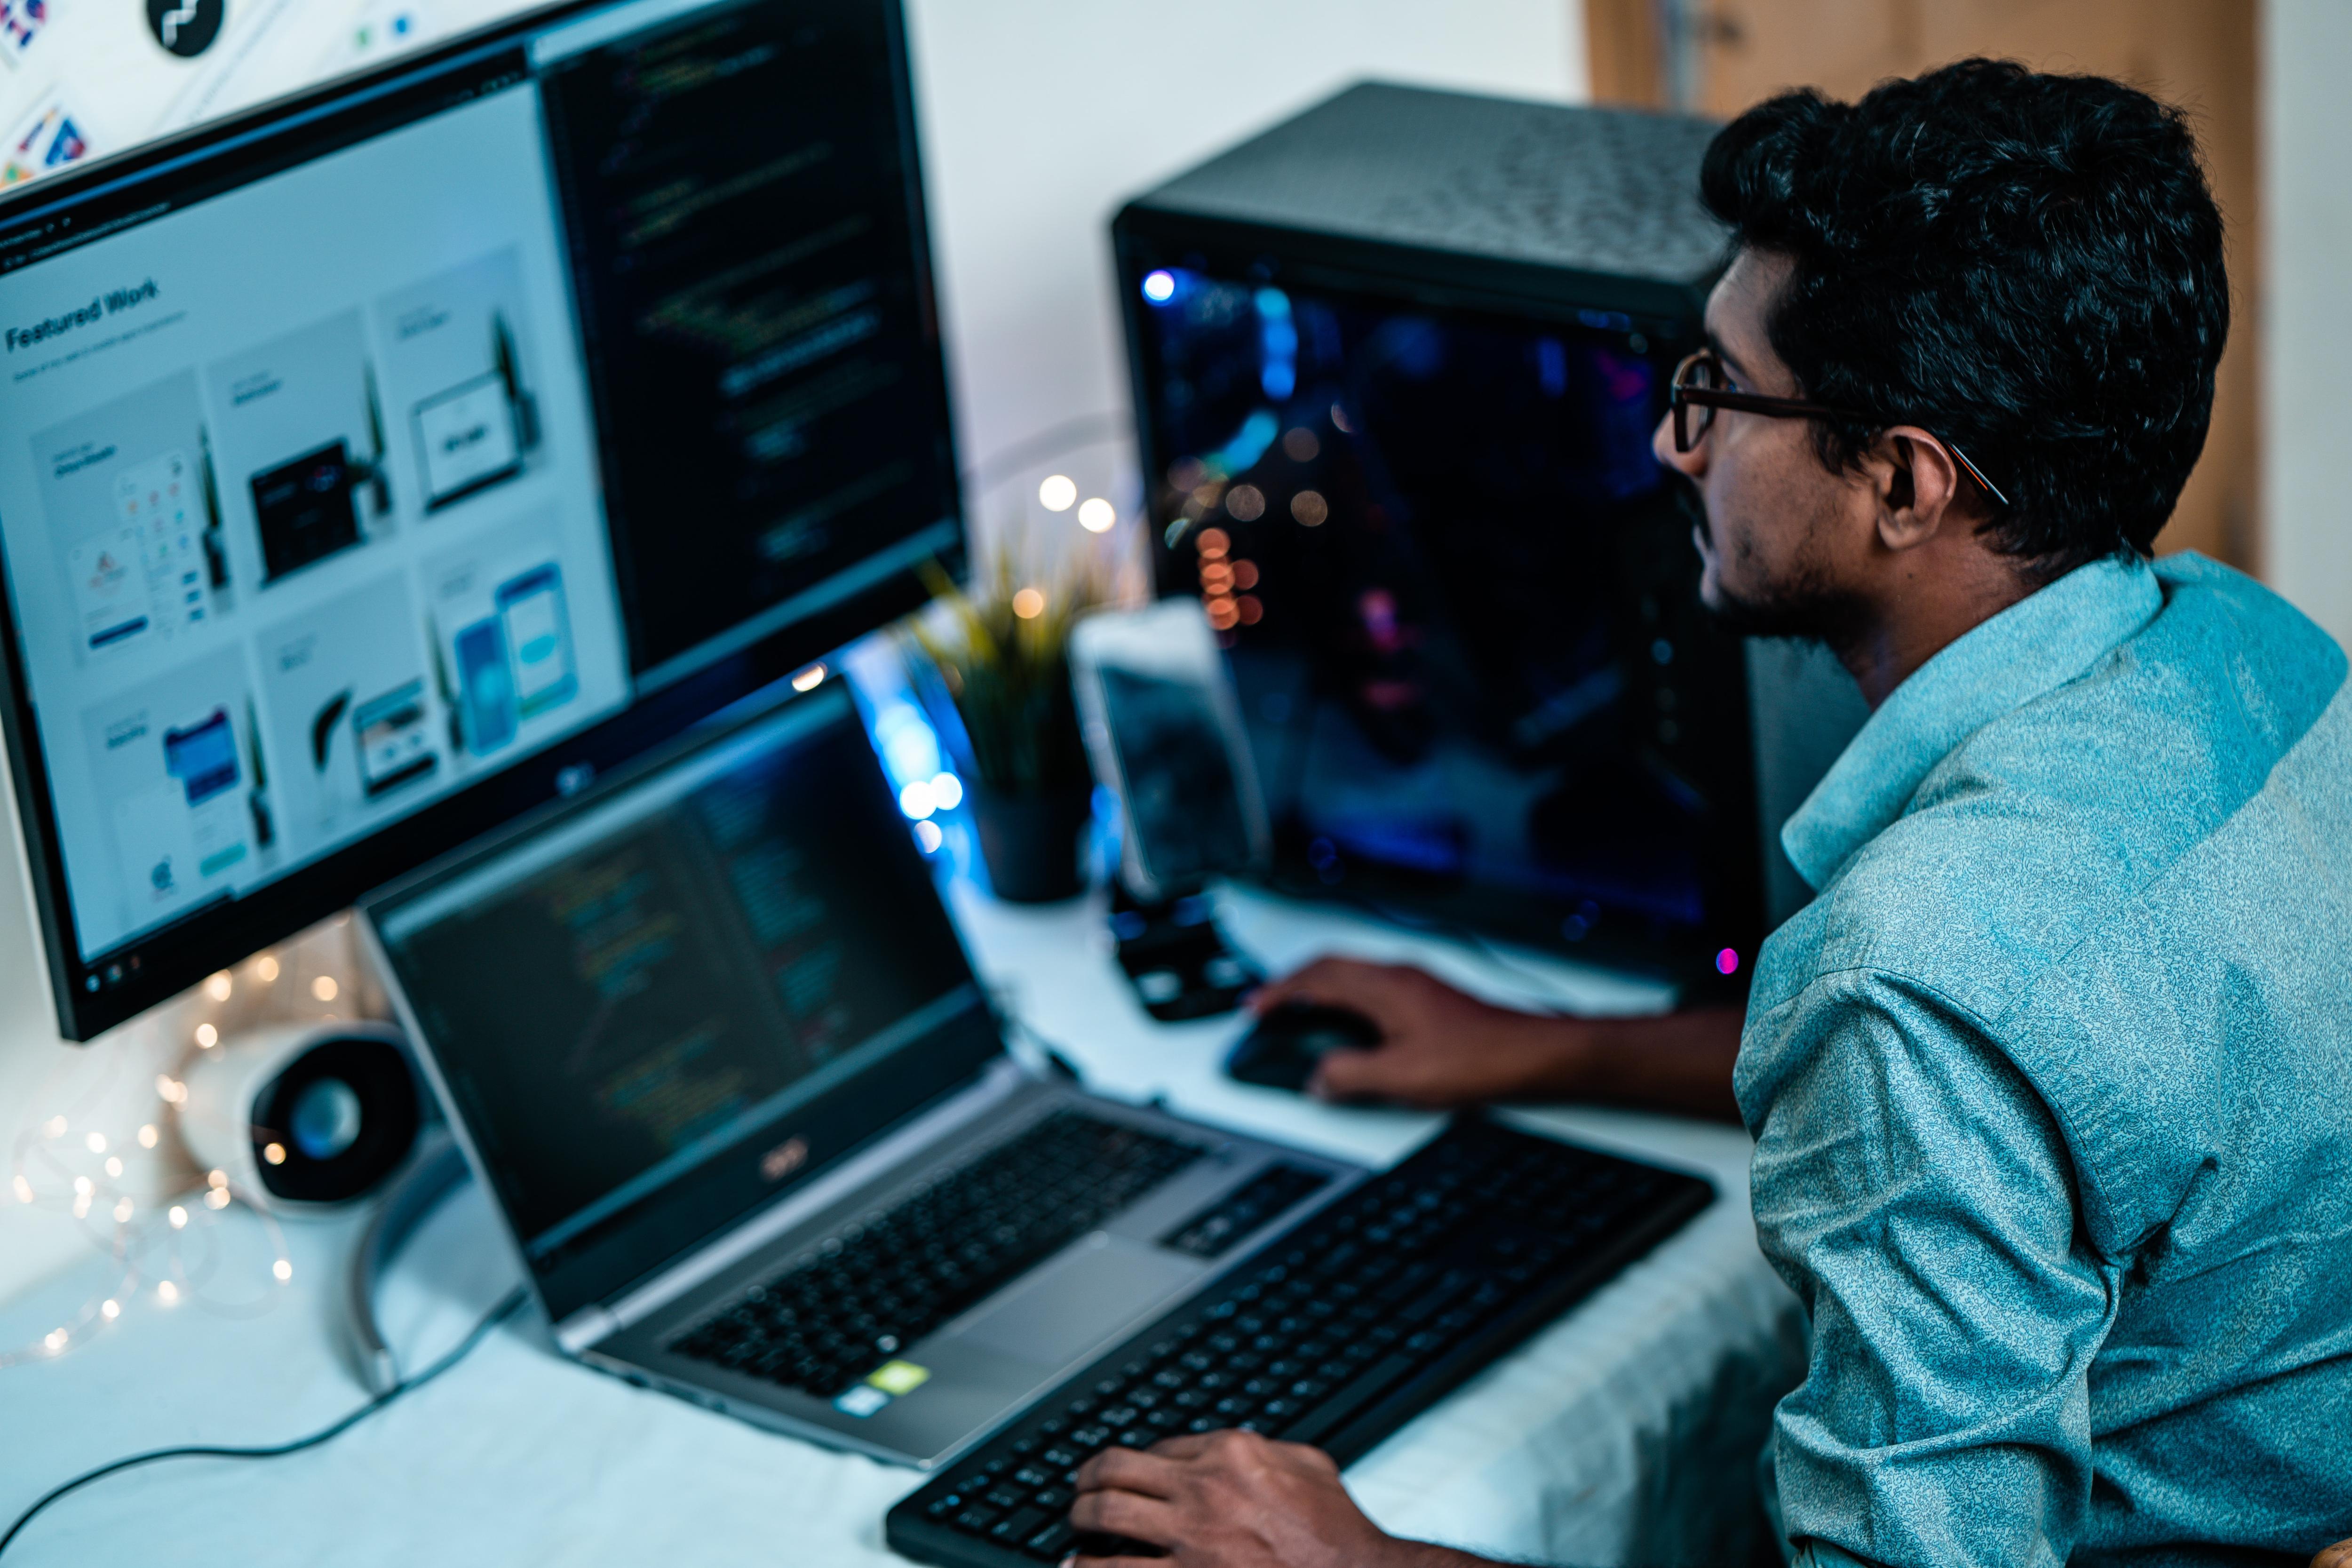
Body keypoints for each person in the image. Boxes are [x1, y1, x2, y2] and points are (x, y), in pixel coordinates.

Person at [1063, 59, 2352, 1568]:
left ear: (1903, 483)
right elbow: (2057, 1077)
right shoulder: (2252, 650)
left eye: (1719, 394)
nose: (1676, 446)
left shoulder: (1912, 972)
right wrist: (1534, 1042)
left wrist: (1356, 1563)